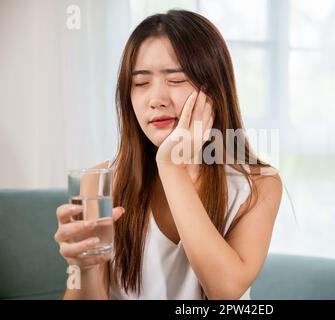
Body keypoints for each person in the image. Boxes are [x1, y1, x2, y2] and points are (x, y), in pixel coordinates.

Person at [54, 9, 282, 300]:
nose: (156, 100)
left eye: (175, 80)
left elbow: (225, 293)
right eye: (140, 83)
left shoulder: (259, 185)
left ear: (213, 90)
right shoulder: (101, 182)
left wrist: (172, 167)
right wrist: (84, 265)